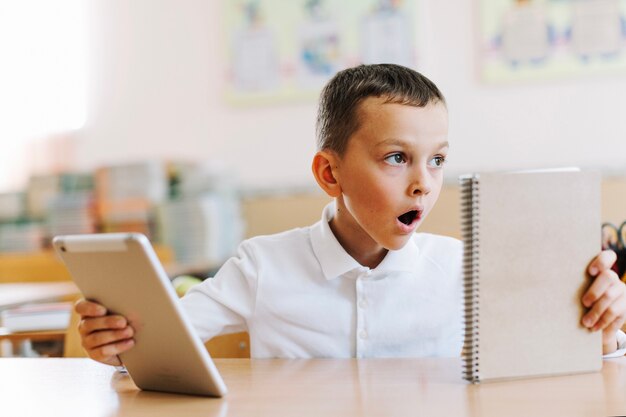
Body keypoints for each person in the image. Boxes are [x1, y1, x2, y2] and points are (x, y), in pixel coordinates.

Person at [75, 64, 626, 365]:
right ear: (329, 174)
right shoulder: (262, 265)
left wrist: (601, 332)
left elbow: (573, 364)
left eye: (437, 160)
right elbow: (155, 350)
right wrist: (115, 346)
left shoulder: (466, 268)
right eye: (396, 158)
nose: (423, 182)